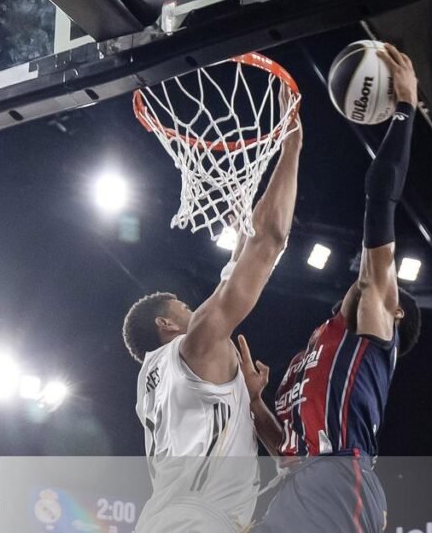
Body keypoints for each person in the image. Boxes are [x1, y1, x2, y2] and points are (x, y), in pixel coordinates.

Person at [240, 44, 423, 533]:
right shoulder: (320, 343)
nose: (367, 285)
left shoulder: (376, 328)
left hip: (342, 474)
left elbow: (379, 196)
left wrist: (404, 110)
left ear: (395, 315)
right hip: (297, 484)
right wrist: (256, 404)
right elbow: (286, 449)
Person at [122, 104, 302, 532]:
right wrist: (292, 145)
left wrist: (247, 400)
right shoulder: (196, 344)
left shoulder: (150, 384)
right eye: (182, 307)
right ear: (166, 325)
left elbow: (232, 273)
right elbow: (270, 242)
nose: (192, 307)